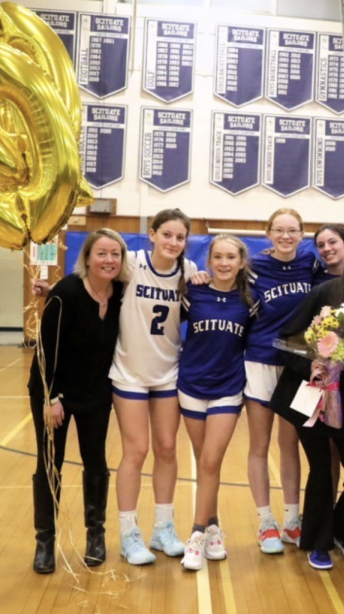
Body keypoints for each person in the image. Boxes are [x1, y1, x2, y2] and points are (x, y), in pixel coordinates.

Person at [269, 243, 344, 570]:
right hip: (311, 394)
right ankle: (318, 541)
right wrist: (315, 369)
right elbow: (287, 339)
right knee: (320, 471)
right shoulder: (326, 292)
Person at [28, 229, 128, 573]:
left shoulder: (122, 294)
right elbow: (45, 351)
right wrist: (51, 397)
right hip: (53, 391)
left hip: (96, 392)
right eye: (102, 253)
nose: (109, 260)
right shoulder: (67, 293)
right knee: (49, 463)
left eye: (115, 254)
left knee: (96, 462)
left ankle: (95, 536)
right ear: (87, 257)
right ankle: (44, 541)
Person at [108, 209, 198, 565]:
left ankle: (163, 527)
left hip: (167, 372)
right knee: (136, 451)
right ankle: (128, 533)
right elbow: (91, 283)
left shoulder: (189, 272)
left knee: (166, 447)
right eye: (167, 235)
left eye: (180, 237)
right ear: (152, 234)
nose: (173, 242)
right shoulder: (131, 263)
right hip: (129, 371)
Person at [178, 236, 257, 571]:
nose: (224, 263)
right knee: (203, 460)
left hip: (227, 387)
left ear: (241, 262)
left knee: (211, 461)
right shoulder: (192, 292)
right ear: (208, 260)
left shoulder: (250, 299)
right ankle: (213, 526)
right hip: (191, 384)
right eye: (218, 257)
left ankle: (195, 536)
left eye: (231, 257)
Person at [244, 209, 318, 554]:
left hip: (296, 365)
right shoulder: (252, 267)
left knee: (289, 446)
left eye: (293, 231)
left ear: (302, 234)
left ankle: (292, 520)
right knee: (259, 446)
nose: (286, 236)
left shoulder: (310, 265)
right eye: (279, 230)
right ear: (268, 232)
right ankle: (265, 523)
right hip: (259, 361)